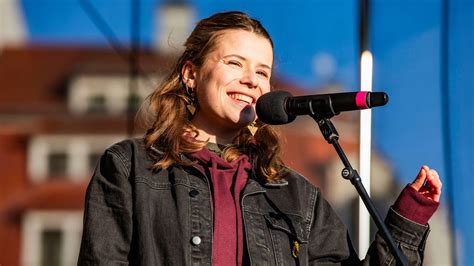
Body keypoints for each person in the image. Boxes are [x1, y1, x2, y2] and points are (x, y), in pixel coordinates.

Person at [78, 11, 442, 265]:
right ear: (191, 73)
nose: (253, 80)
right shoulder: (130, 168)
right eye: (235, 63)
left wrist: (409, 218)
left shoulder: (296, 195)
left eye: (263, 71)